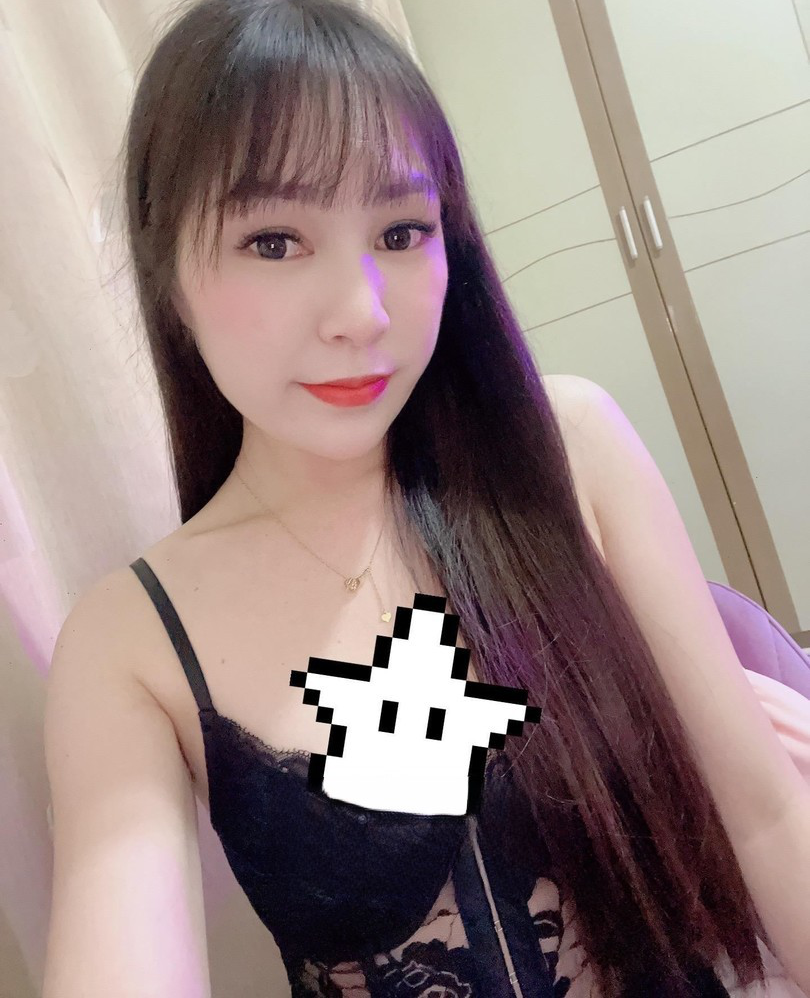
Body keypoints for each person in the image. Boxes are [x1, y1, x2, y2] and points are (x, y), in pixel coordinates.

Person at [42, 1, 810, 996]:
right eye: (274, 241)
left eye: (402, 230)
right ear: (166, 269)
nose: (362, 313)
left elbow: (764, 815)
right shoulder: (130, 640)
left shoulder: (568, 450)